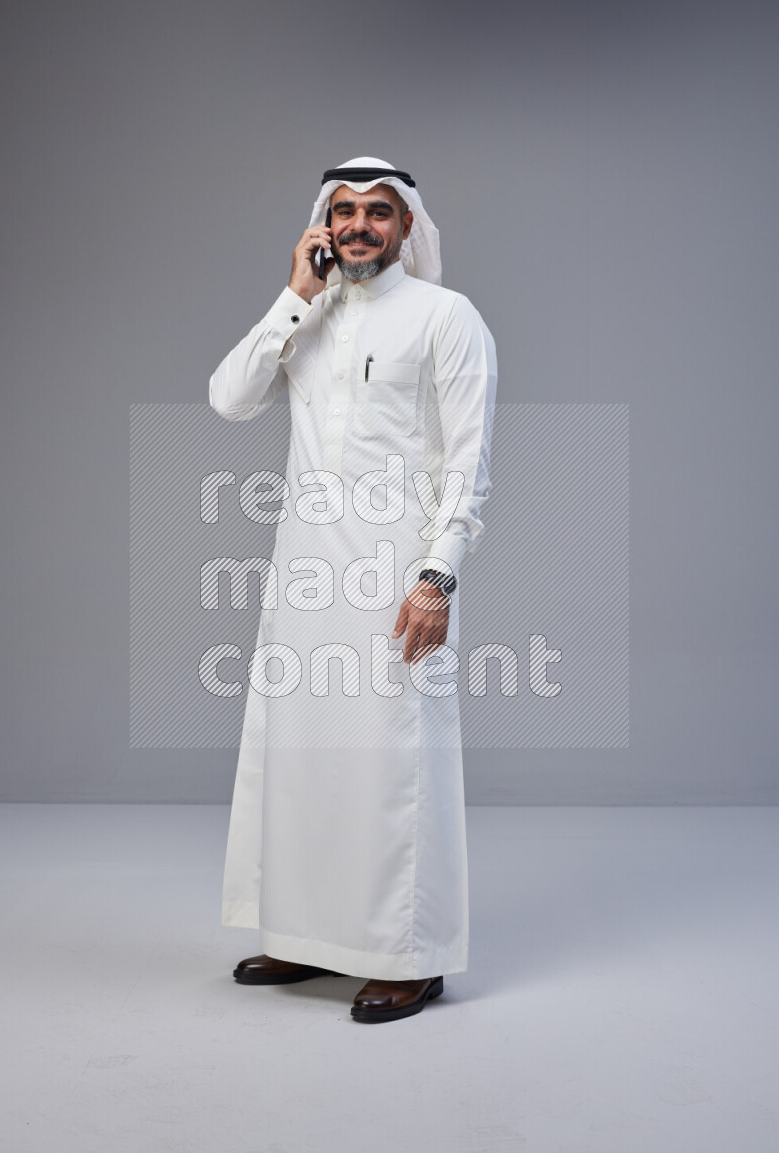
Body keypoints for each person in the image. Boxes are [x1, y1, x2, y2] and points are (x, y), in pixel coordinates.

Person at [209, 156, 497, 1023]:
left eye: (378, 211)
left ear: (408, 225)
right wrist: (295, 294)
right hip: (303, 573)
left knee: (392, 765)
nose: (360, 225)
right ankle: (306, 936)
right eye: (344, 211)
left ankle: (410, 955)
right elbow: (230, 398)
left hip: (394, 577)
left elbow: (468, 461)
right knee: (304, 759)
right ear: (323, 225)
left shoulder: (447, 317)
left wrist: (438, 575)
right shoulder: (311, 313)